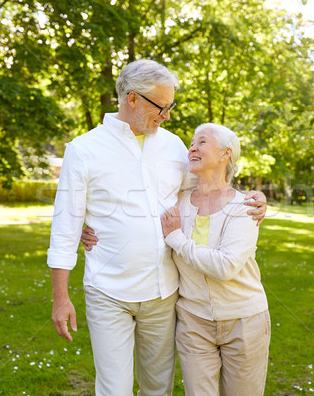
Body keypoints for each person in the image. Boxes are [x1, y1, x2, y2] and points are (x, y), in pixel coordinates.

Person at [47, 59, 266, 396]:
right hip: (108, 292)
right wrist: (61, 297)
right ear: (132, 99)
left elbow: (199, 194)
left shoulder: (174, 145)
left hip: (164, 293)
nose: (167, 116)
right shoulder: (84, 150)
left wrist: (250, 200)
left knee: (157, 389)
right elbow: (64, 226)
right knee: (114, 389)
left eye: (170, 107)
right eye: (161, 107)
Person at [160, 123, 270, 396]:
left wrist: (177, 240)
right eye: (192, 142)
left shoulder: (245, 206)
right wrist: (89, 228)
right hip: (193, 321)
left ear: (225, 154)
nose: (193, 147)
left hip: (244, 321)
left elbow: (225, 266)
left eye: (202, 142)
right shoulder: (178, 201)